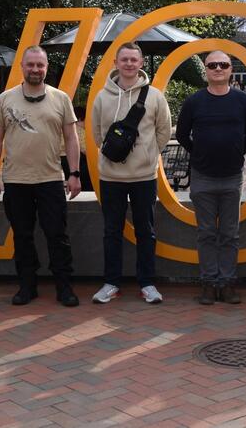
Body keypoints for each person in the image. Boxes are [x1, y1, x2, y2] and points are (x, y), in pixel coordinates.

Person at [0, 46, 82, 307]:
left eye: (40, 65)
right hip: (16, 181)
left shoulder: (60, 98)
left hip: (51, 179)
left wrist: (74, 173)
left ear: (46, 67)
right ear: (22, 66)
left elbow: (71, 138)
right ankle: (27, 286)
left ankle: (64, 287)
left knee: (57, 236)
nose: (35, 69)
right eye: (30, 65)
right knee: (22, 235)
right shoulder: (5, 99)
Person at [91, 42, 172, 304]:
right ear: (116, 63)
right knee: (111, 232)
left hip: (144, 177)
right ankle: (111, 282)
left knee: (145, 231)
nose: (128, 64)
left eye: (133, 60)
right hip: (110, 177)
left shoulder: (154, 96)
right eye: (124, 59)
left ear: (140, 63)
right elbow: (96, 134)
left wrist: (147, 155)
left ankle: (147, 283)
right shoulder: (102, 97)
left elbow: (163, 131)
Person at [176, 51, 246, 305]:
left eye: (223, 65)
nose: (218, 69)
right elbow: (181, 135)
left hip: (232, 177)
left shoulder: (242, 101)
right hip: (203, 177)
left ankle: (227, 283)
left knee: (230, 234)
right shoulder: (194, 101)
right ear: (206, 70)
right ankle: (209, 283)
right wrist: (200, 154)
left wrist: (234, 154)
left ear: (230, 69)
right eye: (213, 65)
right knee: (207, 233)